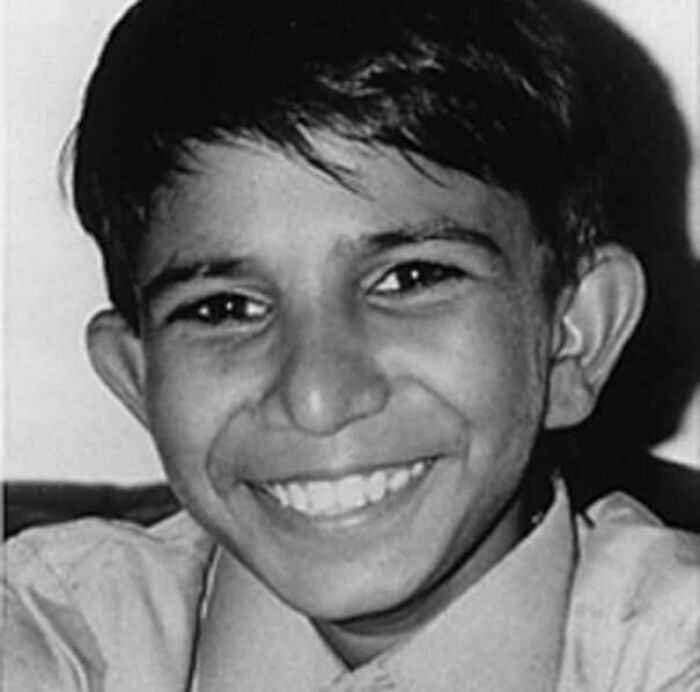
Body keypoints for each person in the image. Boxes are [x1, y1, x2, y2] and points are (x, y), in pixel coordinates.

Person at [5, 0, 699, 689]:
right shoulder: (60, 636)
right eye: (224, 308)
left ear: (572, 336)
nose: (317, 397)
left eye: (410, 278)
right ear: (138, 380)